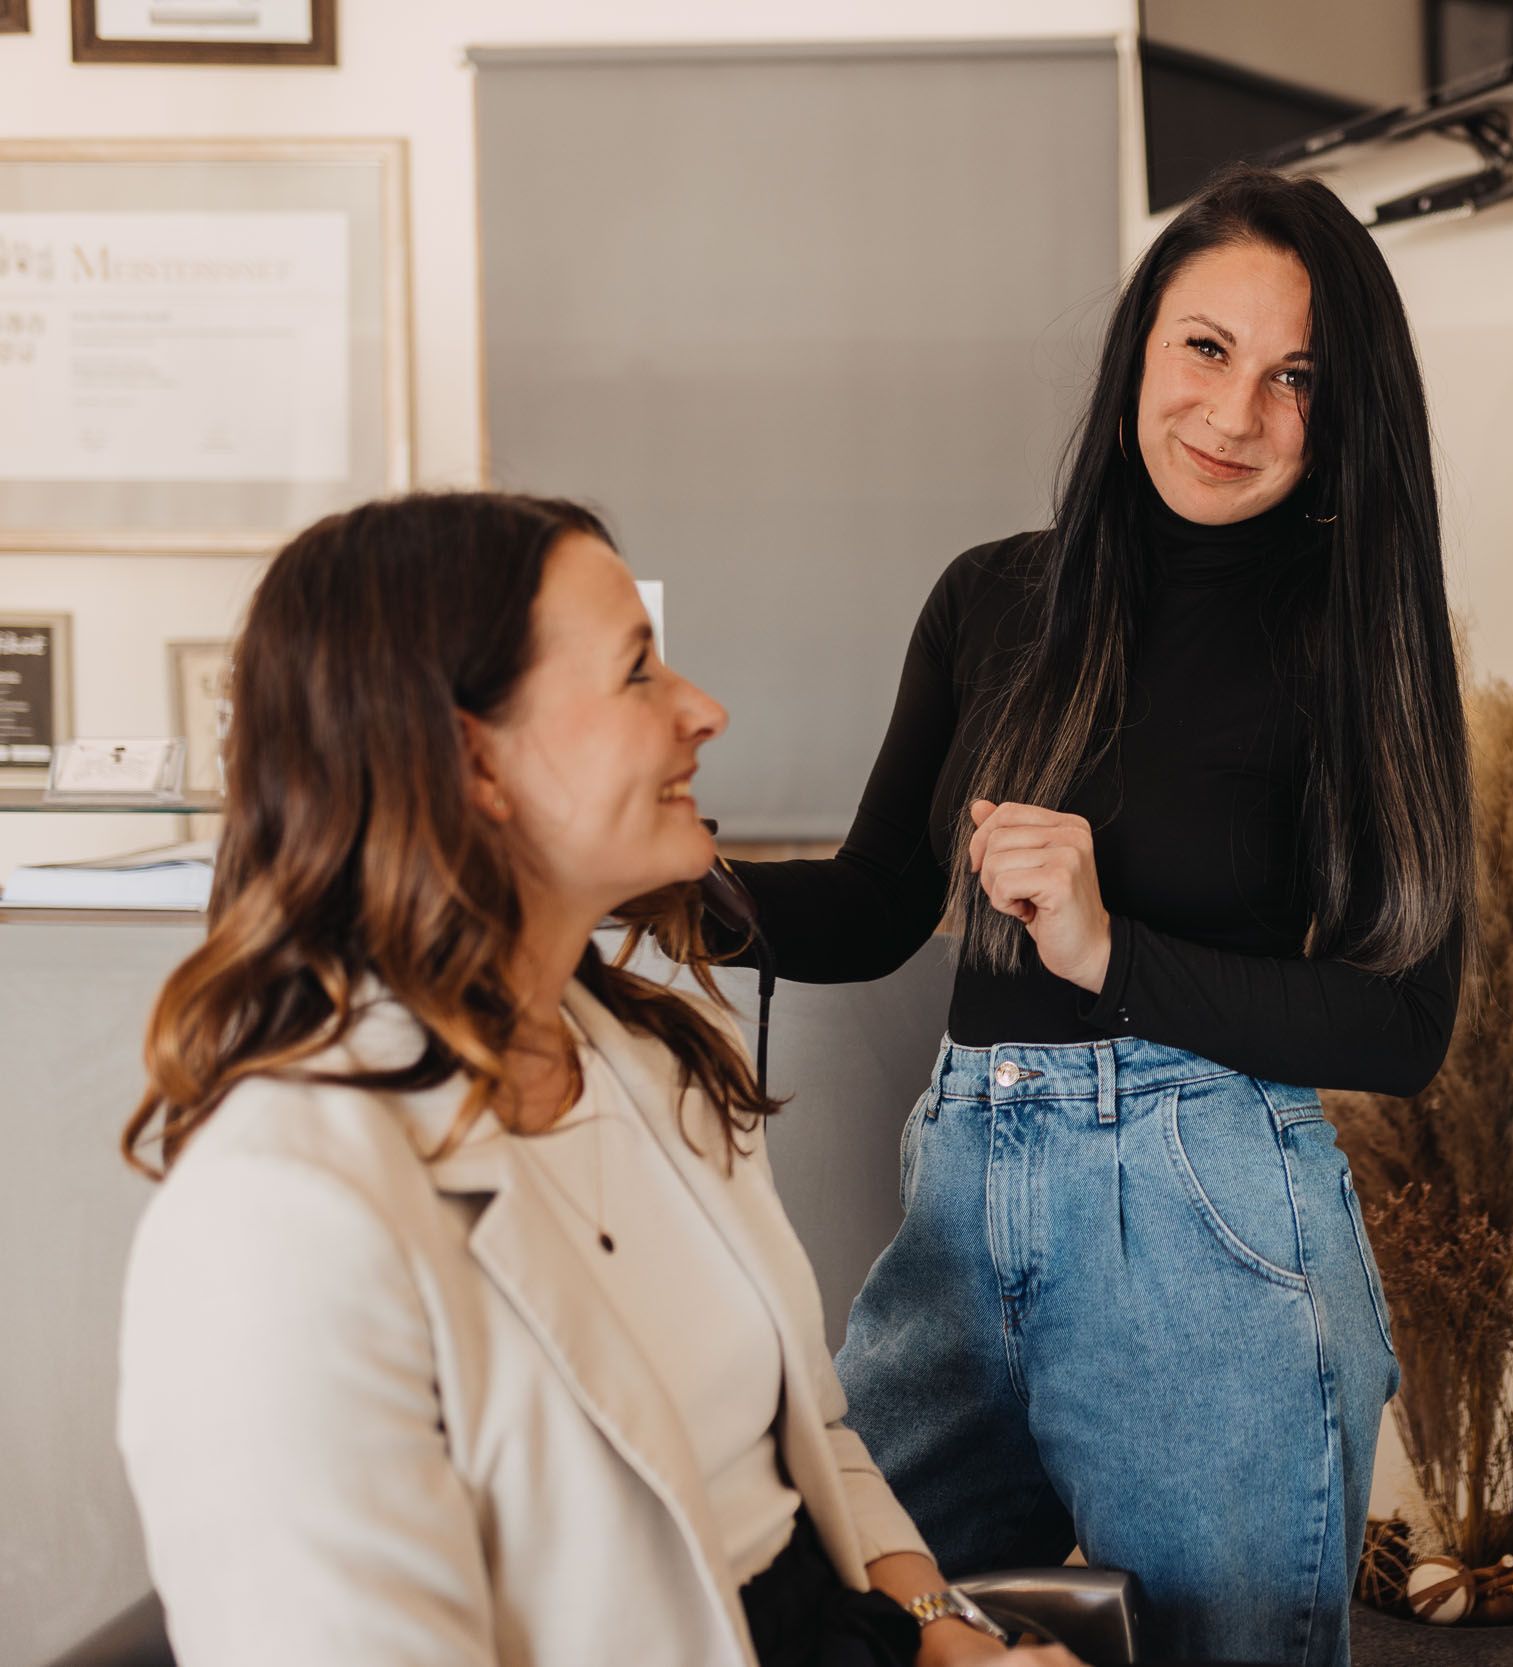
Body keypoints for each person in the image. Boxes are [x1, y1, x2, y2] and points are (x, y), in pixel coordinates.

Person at [708, 164, 1473, 1667]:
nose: (1235, 412)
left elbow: (1402, 1024)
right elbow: (870, 910)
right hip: (956, 1192)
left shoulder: (1360, 636)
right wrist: (653, 887)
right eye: (1205, 348)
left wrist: (1111, 951)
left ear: (1343, 411)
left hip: (1211, 1224)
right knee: (834, 1620)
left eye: (1295, 378)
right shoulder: (993, 597)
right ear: (1139, 347)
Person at [115, 493, 1083, 1667]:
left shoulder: (648, 1062)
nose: (703, 710)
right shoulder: (276, 1220)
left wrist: (949, 1639)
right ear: (472, 759)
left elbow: (809, 1429)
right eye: (637, 673)